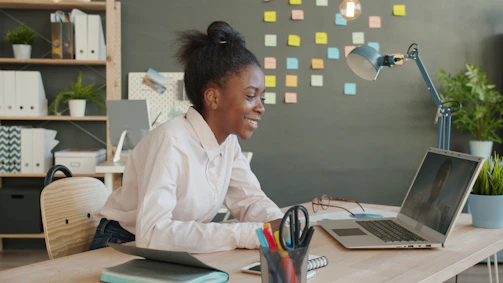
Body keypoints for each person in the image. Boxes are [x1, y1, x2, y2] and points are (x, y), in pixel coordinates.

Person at [89, 21, 284, 253]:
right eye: (251, 95)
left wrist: (281, 224)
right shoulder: (171, 141)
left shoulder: (228, 143)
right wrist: (248, 234)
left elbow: (249, 200)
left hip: (173, 244)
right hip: (122, 244)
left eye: (262, 97)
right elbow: (152, 234)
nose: (260, 107)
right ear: (212, 98)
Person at [411, 159, 452, 231]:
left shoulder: (437, 215)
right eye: (439, 175)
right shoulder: (416, 204)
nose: (439, 182)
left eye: (444, 177)